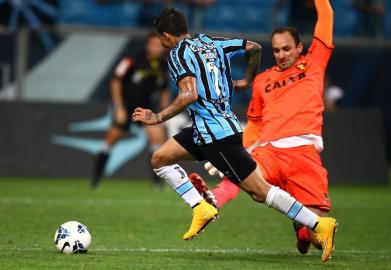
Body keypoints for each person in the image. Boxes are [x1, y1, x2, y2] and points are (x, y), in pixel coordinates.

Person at [132, 7, 337, 262]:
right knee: (160, 159)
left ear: (165, 36)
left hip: (217, 136)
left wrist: (157, 117)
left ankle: (318, 224)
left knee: (260, 192)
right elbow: (254, 48)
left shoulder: (177, 54)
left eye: (160, 38)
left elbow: (189, 94)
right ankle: (201, 207)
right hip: (204, 131)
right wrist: (247, 81)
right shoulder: (209, 42)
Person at [190, 0, 336, 257]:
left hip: (304, 155)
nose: (281, 54)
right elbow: (256, 124)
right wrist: (235, 149)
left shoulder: (314, 63)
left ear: (300, 47)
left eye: (287, 49)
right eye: (277, 50)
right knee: (241, 171)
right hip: (269, 152)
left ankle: (303, 232)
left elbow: (326, 14)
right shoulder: (263, 81)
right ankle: (211, 202)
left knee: (317, 233)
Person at [91, 33, 170, 189]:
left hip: (147, 108)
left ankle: (157, 184)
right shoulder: (131, 60)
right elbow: (115, 82)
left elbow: (164, 89)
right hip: (127, 107)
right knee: (110, 141)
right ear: (147, 45)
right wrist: (119, 107)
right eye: (153, 44)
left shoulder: (163, 65)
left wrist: (165, 111)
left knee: (158, 141)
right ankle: (96, 181)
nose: (156, 48)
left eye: (159, 45)